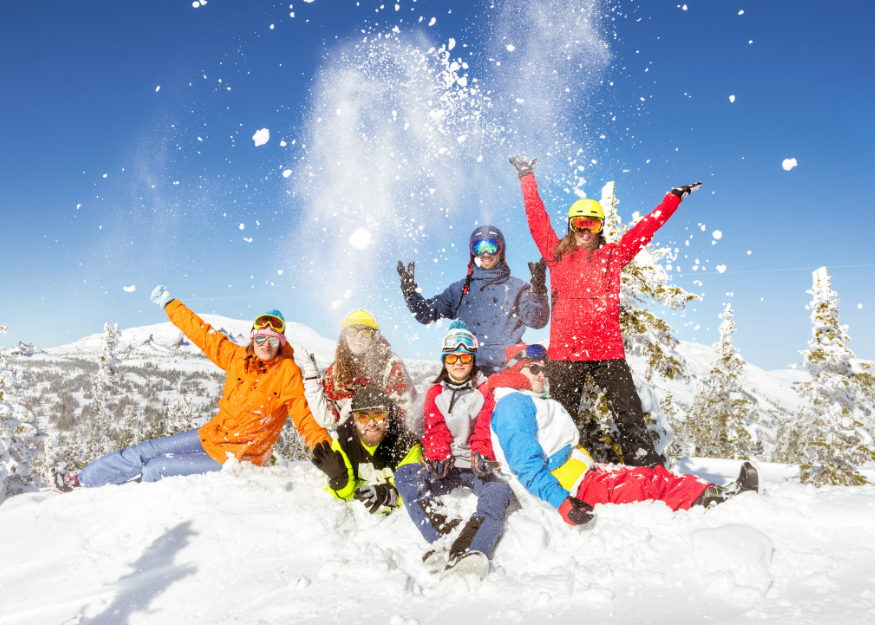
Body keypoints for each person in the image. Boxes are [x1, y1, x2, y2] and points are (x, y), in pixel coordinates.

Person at [509, 155, 702, 467]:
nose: (586, 230)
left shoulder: (613, 255)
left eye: (592, 224)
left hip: (607, 351)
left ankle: (644, 467)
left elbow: (645, 229)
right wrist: (527, 177)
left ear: (600, 228)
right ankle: (557, 469)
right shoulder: (556, 255)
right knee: (561, 417)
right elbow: (537, 220)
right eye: (580, 223)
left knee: (630, 414)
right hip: (567, 354)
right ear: (571, 227)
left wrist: (672, 199)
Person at [46, 285, 330, 492]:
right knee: (146, 450)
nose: (266, 345)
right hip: (211, 435)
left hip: (239, 457)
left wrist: (325, 452)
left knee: (156, 467)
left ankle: (127, 505)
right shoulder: (236, 357)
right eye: (261, 338)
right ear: (252, 338)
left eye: (273, 340)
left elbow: (306, 420)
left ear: (281, 343)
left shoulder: (288, 373)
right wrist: (170, 304)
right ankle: (80, 481)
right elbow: (200, 332)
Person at [483, 343, 761, 527]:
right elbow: (526, 466)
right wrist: (562, 503)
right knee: (647, 486)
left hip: (580, 476)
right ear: (514, 370)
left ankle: (707, 490)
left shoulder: (527, 399)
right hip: (569, 489)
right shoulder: (513, 405)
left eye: (545, 369)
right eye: (534, 369)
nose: (543, 375)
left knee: (650, 474)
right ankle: (713, 499)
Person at [394, 321, 512, 579]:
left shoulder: (485, 389)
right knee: (405, 475)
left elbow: (483, 427)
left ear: (472, 359)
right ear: (444, 361)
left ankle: (471, 548)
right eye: (451, 357)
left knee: (499, 491)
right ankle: (444, 535)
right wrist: (438, 456)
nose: (458, 363)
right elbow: (436, 429)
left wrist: (481, 454)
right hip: (447, 466)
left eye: (464, 357)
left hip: (475, 465)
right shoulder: (435, 392)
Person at [396, 225, 550, 375]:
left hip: (509, 370)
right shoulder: (459, 290)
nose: (485, 254)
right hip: (470, 371)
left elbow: (537, 321)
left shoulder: (517, 287)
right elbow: (426, 314)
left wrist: (538, 292)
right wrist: (411, 294)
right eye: (478, 248)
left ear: (501, 251)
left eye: (492, 247)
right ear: (472, 253)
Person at [293, 309, 417, 429]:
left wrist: (355, 407)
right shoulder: (337, 369)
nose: (358, 336)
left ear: (374, 337)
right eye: (352, 330)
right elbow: (325, 418)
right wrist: (311, 375)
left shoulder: (391, 364)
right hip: (355, 440)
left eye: (366, 332)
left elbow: (405, 415)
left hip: (387, 438)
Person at [309, 387, 422, 514]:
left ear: (388, 414)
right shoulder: (343, 441)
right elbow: (342, 497)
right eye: (363, 417)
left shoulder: (406, 443)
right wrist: (339, 479)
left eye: (379, 415)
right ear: (354, 418)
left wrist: (389, 495)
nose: (372, 423)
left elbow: (415, 492)